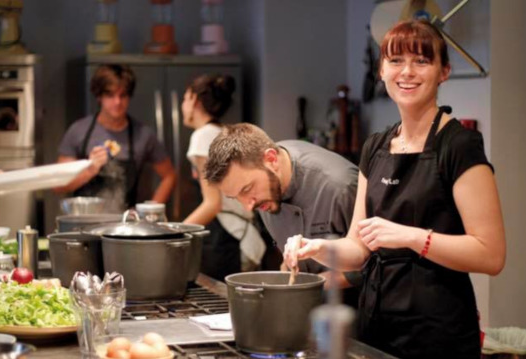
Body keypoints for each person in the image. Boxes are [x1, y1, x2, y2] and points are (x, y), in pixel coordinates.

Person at [283, 20, 506, 359]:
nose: (407, 72)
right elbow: (358, 247)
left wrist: (411, 236)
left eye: (421, 61)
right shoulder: (375, 146)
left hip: (437, 333)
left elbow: (491, 254)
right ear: (382, 70)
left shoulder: (460, 145)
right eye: (396, 60)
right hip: (377, 325)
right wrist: (318, 247)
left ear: (443, 72)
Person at [203, 123, 362, 296]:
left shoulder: (340, 186)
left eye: (247, 189)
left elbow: (374, 265)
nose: (248, 206)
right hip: (307, 303)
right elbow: (288, 259)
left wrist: (301, 287)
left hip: (354, 312)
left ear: (272, 160)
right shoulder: (265, 188)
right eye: (236, 197)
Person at [56, 64, 176, 213]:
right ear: (99, 96)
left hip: (126, 224)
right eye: (110, 95)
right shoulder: (78, 131)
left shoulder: (143, 134)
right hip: (84, 221)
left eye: (123, 95)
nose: (117, 102)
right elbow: (59, 186)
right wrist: (90, 170)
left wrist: (149, 211)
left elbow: (169, 176)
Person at [180, 74, 264, 279]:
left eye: (184, 99)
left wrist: (175, 234)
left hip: (230, 238)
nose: (182, 105)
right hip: (242, 237)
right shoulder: (220, 132)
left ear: (194, 101)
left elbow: (212, 203)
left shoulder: (202, 137)